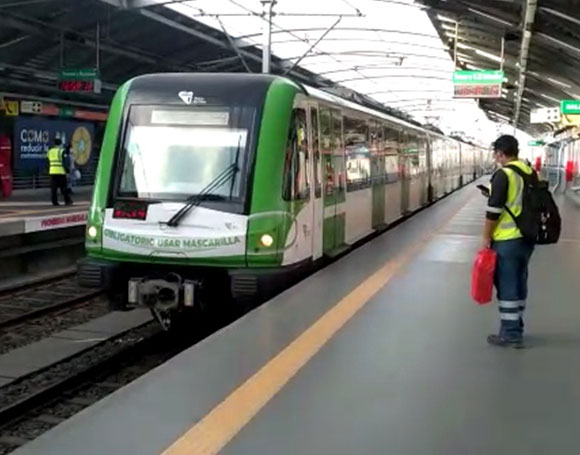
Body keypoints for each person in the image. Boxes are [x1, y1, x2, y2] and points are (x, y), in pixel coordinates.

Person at [482, 135, 536, 348]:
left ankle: (511, 333)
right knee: (519, 282)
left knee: (507, 285)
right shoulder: (528, 171)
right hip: (527, 238)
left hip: (507, 239)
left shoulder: (503, 174)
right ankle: (516, 326)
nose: (496, 158)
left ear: (500, 153)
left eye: (496, 154)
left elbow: (493, 210)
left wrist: (486, 236)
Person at [47, 138, 73, 206]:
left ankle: (54, 202)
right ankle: (67, 201)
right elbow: (64, 162)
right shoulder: (61, 151)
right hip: (61, 172)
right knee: (63, 188)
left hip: (52, 172)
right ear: (60, 144)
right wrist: (67, 171)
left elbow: (47, 162)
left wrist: (48, 170)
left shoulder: (50, 151)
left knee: (54, 189)